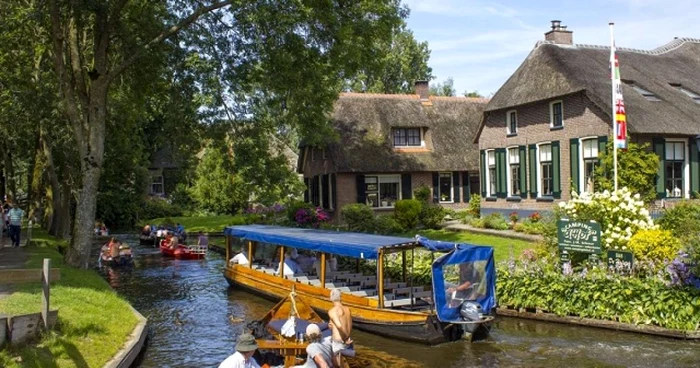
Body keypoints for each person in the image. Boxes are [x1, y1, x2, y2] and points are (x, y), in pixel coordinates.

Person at [328, 288, 352, 367]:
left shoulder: (332, 311)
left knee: (337, 365)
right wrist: (347, 337)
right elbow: (349, 324)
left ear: (331, 298)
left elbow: (339, 326)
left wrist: (344, 338)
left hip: (339, 342)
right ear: (340, 297)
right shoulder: (347, 309)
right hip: (347, 340)